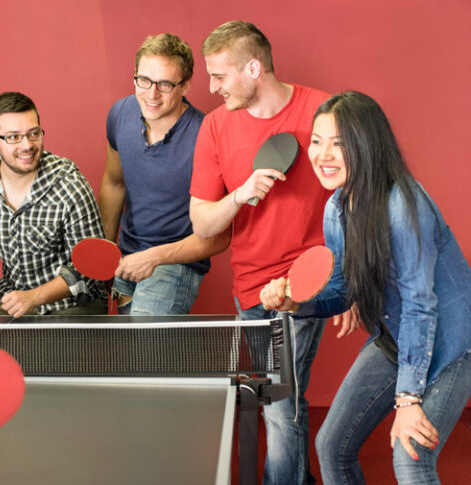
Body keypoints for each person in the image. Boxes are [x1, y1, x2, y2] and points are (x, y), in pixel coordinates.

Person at [260, 90, 471, 484]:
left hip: (451, 341)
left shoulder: (404, 205)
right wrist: (294, 302)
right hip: (397, 337)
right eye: (317, 142)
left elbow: (420, 306)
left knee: (410, 456)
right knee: (331, 446)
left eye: (339, 144)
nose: (323, 155)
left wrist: (408, 400)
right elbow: (342, 290)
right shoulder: (336, 209)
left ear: (367, 146)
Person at [189, 21, 341, 484]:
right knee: (271, 402)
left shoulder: (322, 112)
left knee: (278, 405)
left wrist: (349, 280)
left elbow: (358, 195)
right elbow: (202, 221)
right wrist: (238, 195)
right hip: (249, 289)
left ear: (254, 68)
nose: (212, 88)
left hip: (302, 285)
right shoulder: (215, 126)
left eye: (220, 76)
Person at [99, 33, 229, 315]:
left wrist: (154, 257)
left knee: (145, 354)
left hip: (174, 263)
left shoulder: (205, 135)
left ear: (186, 86)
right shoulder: (120, 113)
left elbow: (220, 236)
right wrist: (107, 251)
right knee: (139, 358)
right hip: (126, 256)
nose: (152, 94)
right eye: (143, 80)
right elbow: (114, 182)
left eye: (165, 84)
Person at [0, 91, 107, 317]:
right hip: (12, 297)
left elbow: (91, 268)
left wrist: (34, 297)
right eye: (13, 137)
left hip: (73, 305)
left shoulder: (70, 185)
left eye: (33, 133)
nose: (27, 145)